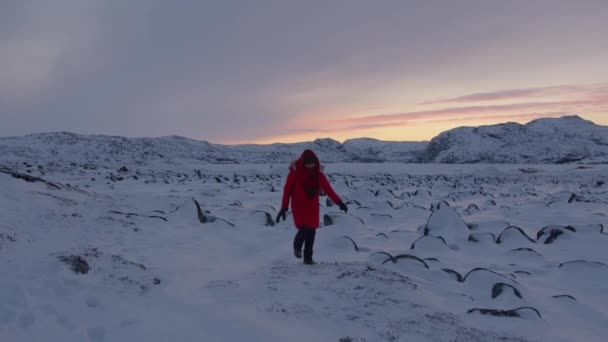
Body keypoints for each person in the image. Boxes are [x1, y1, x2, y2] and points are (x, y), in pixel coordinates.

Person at [276, 149, 348, 265]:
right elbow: (287, 191)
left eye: (312, 162)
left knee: (312, 231)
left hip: (312, 206)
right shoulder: (295, 173)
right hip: (299, 205)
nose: (310, 165)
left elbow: (328, 189)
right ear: (303, 162)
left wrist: (339, 203)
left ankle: (308, 258)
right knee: (304, 228)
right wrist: (284, 207)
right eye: (308, 163)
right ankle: (297, 245)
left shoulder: (318, 174)